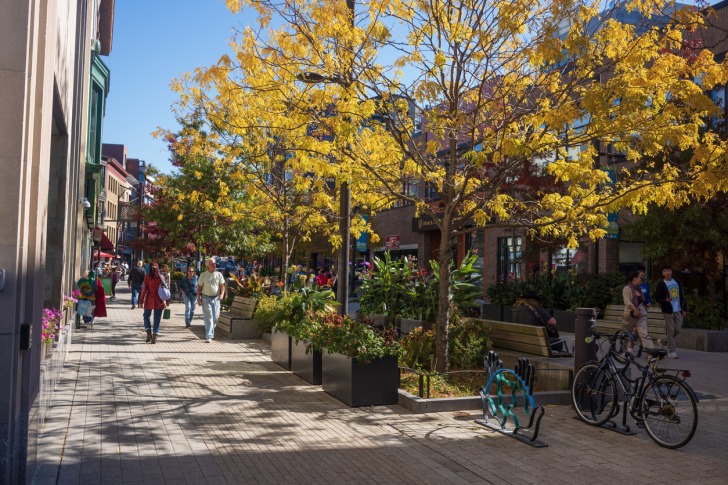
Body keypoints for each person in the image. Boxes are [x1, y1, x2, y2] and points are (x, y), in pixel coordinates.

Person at [653, 265, 686, 359]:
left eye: (669, 271)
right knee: (670, 331)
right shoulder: (661, 283)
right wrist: (665, 301)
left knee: (678, 330)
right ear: (663, 273)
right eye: (665, 271)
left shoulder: (677, 282)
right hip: (668, 310)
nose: (667, 272)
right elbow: (657, 297)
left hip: (678, 309)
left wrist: (684, 309)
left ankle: (662, 341)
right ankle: (671, 351)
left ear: (671, 272)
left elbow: (682, 296)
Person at [621, 271, 653, 350]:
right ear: (634, 278)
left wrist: (646, 305)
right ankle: (623, 352)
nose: (642, 279)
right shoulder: (627, 288)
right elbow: (627, 301)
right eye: (640, 278)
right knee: (626, 335)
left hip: (641, 314)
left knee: (644, 334)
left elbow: (642, 301)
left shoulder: (639, 289)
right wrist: (635, 309)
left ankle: (651, 354)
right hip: (630, 315)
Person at [197, 258, 226, 343]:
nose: (214, 265)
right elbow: (199, 288)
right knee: (209, 317)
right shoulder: (203, 275)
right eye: (212, 264)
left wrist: (222, 294)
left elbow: (222, 286)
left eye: (215, 263)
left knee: (216, 317)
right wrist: (199, 299)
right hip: (206, 298)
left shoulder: (219, 274)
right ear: (208, 265)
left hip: (216, 298)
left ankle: (210, 331)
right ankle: (209, 336)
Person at [139, 263, 168, 344]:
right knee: (157, 318)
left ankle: (148, 333)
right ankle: (155, 335)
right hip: (159, 299)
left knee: (146, 316)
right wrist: (167, 301)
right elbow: (166, 290)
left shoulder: (147, 277)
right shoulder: (162, 277)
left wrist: (141, 301)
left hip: (149, 298)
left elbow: (144, 290)